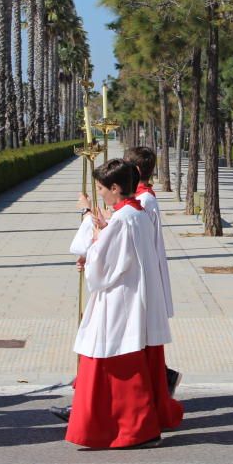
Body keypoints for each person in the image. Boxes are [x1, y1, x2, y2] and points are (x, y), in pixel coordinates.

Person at [64, 159, 182, 449]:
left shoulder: (122, 220)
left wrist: (91, 249)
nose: (100, 193)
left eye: (102, 188)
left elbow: (103, 268)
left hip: (119, 302)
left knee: (117, 366)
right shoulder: (136, 214)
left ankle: (134, 429)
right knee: (127, 363)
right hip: (133, 298)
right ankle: (134, 426)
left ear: (116, 188)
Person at [123, 145, 181, 397]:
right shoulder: (140, 197)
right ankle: (161, 377)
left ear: (134, 170)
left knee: (143, 336)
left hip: (143, 274)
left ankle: (161, 379)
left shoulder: (143, 200)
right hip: (144, 271)